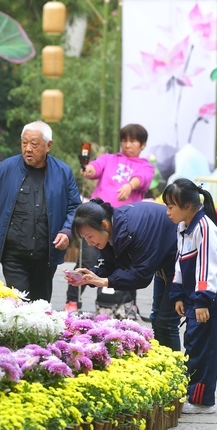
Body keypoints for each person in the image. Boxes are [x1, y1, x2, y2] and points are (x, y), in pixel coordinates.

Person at [0, 121, 81, 303]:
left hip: (46, 254)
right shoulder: (4, 169)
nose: (28, 149)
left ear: (48, 145)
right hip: (13, 254)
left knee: (41, 305)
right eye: (24, 143)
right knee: (19, 304)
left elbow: (75, 208)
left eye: (34, 144)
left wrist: (67, 232)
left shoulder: (63, 172)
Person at [65, 199, 181, 351]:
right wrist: (89, 277)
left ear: (104, 225)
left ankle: (174, 368)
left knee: (166, 322)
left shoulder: (133, 230)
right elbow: (109, 264)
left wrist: (106, 281)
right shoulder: (112, 229)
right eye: (85, 238)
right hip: (163, 263)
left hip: (179, 264)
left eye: (89, 236)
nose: (89, 243)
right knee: (157, 319)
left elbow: (141, 276)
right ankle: (165, 365)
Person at [65, 124, 154, 314]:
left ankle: (130, 303)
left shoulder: (145, 165)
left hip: (123, 229)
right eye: (124, 140)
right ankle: (72, 300)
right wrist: (88, 169)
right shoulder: (109, 159)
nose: (127, 144)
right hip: (95, 224)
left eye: (133, 141)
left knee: (128, 265)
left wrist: (130, 186)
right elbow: (95, 168)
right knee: (87, 259)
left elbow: (142, 178)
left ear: (143, 144)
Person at [162, 179, 217, 414]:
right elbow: (180, 264)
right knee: (193, 345)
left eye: (171, 206)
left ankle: (203, 401)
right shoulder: (184, 227)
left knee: (205, 350)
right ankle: (192, 394)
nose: (168, 211)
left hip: (209, 302)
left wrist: (202, 300)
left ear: (188, 207)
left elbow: (208, 267)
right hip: (196, 299)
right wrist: (178, 295)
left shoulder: (204, 227)